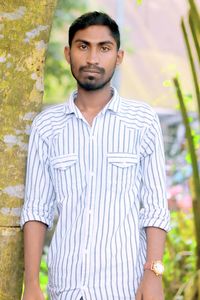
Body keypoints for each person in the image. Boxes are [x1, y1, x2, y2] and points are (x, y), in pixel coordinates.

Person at [21, 11, 170, 300]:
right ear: (68, 53)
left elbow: (155, 207)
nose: (92, 58)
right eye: (83, 46)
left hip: (125, 287)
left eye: (104, 48)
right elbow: (37, 211)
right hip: (66, 287)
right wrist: (31, 285)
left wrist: (153, 276)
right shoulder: (46, 126)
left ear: (119, 56)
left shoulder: (142, 120)